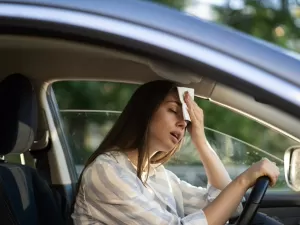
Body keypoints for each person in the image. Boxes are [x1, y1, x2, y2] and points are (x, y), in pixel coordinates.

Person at [72, 80, 280, 225]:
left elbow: (231, 208)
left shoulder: (157, 175)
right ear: (145, 112)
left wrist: (200, 139)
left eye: (187, 120)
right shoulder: (106, 172)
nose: (183, 123)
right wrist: (243, 181)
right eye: (173, 110)